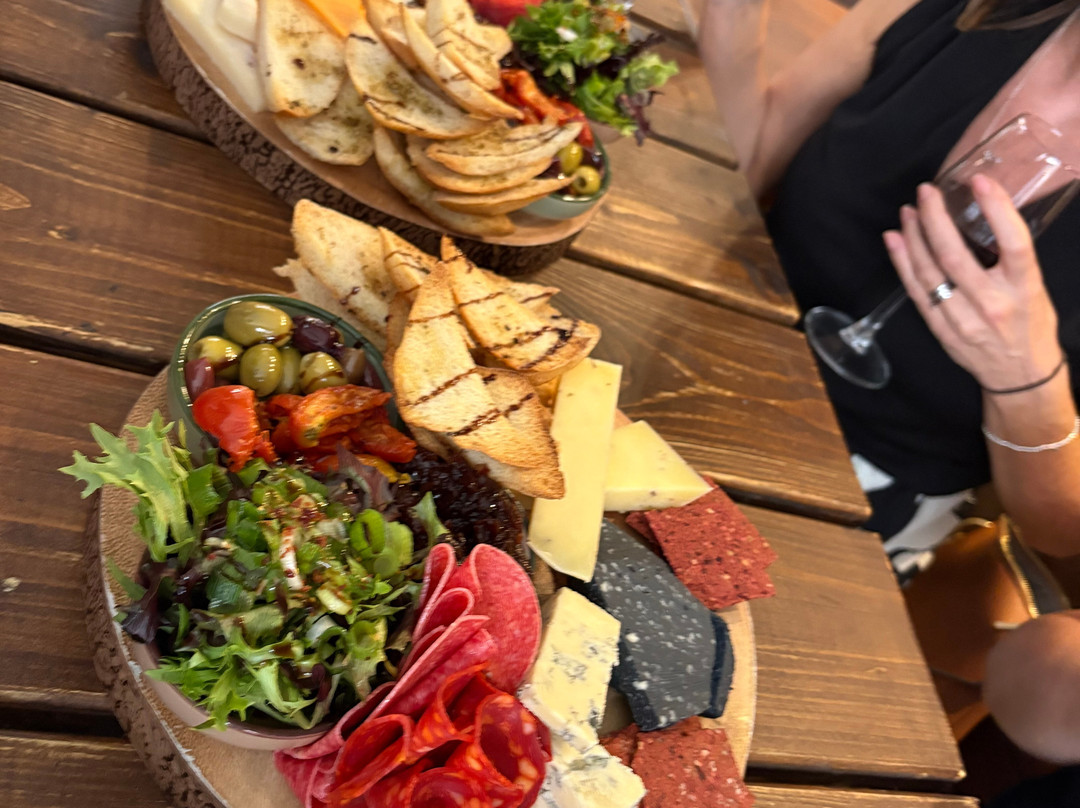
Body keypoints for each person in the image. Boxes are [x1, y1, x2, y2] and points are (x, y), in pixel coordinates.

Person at [698, 0, 1080, 552]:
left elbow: (1059, 533)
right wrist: (734, 16)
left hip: (850, 501)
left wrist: (1027, 381)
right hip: (708, 338)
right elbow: (751, 162)